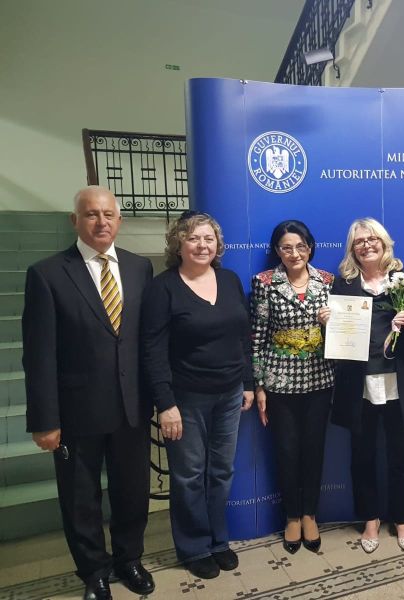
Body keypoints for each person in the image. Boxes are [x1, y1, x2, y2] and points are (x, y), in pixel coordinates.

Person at [22, 186, 155, 600]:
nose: (101, 222)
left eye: (108, 214)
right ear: (74, 220)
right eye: (91, 214)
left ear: (119, 220)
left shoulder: (140, 268)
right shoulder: (47, 274)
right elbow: (39, 355)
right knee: (81, 498)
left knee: (132, 491)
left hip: (131, 406)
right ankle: (94, 571)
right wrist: (45, 419)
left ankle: (129, 559)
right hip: (76, 411)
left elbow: (144, 340)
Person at [140, 211, 254, 580]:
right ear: (178, 244)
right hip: (185, 400)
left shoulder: (230, 280)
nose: (202, 245)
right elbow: (153, 350)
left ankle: (218, 541)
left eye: (208, 238)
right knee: (189, 475)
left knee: (221, 471)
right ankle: (194, 547)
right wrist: (165, 404)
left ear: (218, 244)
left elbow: (243, 337)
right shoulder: (163, 288)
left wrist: (248, 382)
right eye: (193, 238)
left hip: (230, 394)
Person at [319, 218, 404, 554]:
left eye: (372, 239)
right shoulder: (343, 285)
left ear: (384, 242)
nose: (366, 245)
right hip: (359, 385)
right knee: (362, 455)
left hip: (398, 381)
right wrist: (326, 324)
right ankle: (369, 519)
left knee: (402, 456)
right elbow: (336, 340)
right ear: (352, 249)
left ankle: (402, 519)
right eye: (359, 241)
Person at [250, 220, 334, 554]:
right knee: (286, 451)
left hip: (319, 378)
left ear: (310, 248)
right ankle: (292, 516)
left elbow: (343, 335)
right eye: (286, 247)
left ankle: (310, 514)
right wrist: (259, 385)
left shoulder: (328, 281)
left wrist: (331, 324)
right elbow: (257, 337)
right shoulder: (264, 283)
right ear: (277, 251)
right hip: (279, 382)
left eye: (300, 246)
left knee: (314, 449)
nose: (294, 253)